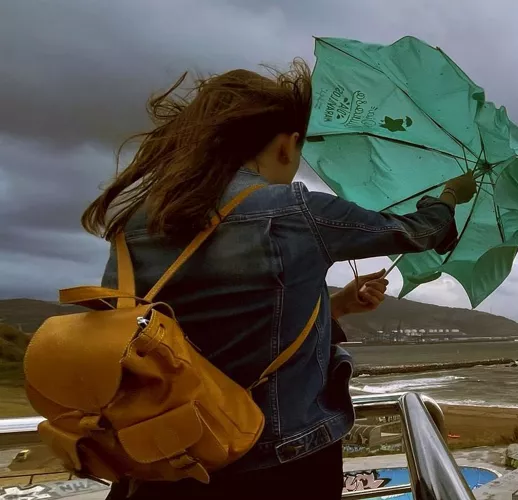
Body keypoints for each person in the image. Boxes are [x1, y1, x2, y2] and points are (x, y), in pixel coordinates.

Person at [81, 60, 477, 499]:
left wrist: (338, 305)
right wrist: (449, 195)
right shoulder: (293, 211)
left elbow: (186, 329)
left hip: (162, 458)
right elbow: (419, 232)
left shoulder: (139, 221)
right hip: (277, 463)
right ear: (287, 145)